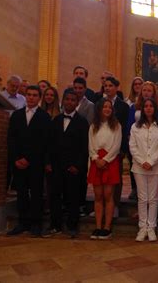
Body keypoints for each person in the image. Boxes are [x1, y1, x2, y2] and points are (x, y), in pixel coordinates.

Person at [43, 91, 89, 238]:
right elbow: (49, 144)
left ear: (77, 103)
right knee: (54, 196)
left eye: (73, 100)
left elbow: (84, 147)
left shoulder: (82, 122)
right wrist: (48, 162)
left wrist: (78, 165)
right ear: (63, 101)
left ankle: (72, 226)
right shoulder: (55, 120)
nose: (69, 102)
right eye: (67, 99)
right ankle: (55, 225)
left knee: (72, 197)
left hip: (73, 167)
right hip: (56, 166)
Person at [7, 85, 51, 237]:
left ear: (39, 98)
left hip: (36, 163)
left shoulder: (44, 117)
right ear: (25, 96)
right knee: (22, 193)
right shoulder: (16, 115)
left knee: (37, 193)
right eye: (29, 94)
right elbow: (11, 139)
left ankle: (36, 224)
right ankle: (22, 223)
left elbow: (44, 142)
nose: (31, 97)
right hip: (19, 162)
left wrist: (29, 159)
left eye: (34, 95)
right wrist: (17, 159)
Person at [129, 98, 158, 242]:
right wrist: (142, 161)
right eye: (146, 106)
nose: (148, 108)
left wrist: (151, 161)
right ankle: (142, 227)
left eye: (151, 106)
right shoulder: (135, 127)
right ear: (143, 109)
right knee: (142, 198)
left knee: (152, 198)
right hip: (139, 167)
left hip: (155, 166)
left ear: (155, 108)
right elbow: (132, 146)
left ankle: (151, 227)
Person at [88, 98, 122, 240]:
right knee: (98, 195)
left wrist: (106, 159)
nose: (107, 109)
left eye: (109, 107)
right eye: (105, 107)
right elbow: (90, 144)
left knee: (108, 195)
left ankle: (107, 227)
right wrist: (96, 158)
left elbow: (116, 145)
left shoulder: (116, 125)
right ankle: (98, 226)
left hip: (110, 161)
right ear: (99, 109)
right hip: (97, 161)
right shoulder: (93, 126)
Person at [126, 81, 158, 200]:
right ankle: (135, 188)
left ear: (153, 93)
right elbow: (129, 124)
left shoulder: (157, 107)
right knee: (136, 166)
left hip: (153, 142)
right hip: (137, 141)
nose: (146, 93)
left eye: (149, 90)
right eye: (144, 90)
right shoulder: (134, 106)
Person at [103, 76, 129, 217]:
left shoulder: (123, 106)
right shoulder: (99, 103)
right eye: (105, 85)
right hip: (102, 147)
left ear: (116, 87)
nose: (107, 88)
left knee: (115, 178)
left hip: (116, 147)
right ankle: (101, 205)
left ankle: (115, 204)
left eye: (110, 85)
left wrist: (123, 148)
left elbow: (124, 128)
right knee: (101, 179)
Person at [72, 76, 94, 217]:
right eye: (76, 88)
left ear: (85, 89)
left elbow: (90, 124)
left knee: (81, 176)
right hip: (69, 145)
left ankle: (80, 204)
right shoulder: (68, 101)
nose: (78, 91)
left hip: (82, 144)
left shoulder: (90, 105)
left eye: (81, 88)